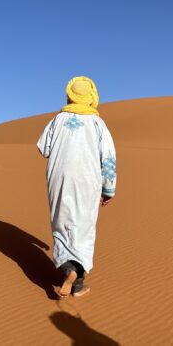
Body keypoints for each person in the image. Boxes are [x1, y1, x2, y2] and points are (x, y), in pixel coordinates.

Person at [37, 76, 117, 298]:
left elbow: (43, 148)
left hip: (59, 178)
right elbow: (109, 158)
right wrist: (108, 188)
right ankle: (78, 283)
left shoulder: (57, 120)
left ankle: (67, 268)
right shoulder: (98, 124)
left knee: (61, 223)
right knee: (84, 227)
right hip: (88, 181)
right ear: (92, 96)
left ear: (69, 94)